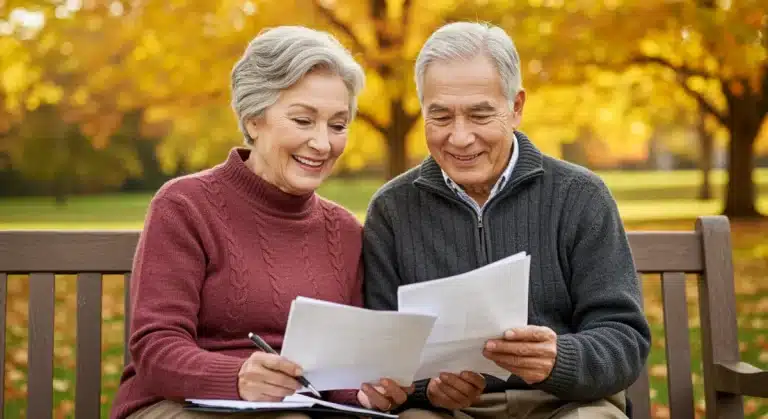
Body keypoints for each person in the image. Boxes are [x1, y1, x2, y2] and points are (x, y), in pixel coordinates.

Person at [110, 26, 410, 419]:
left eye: (337, 126)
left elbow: (339, 368)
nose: (323, 143)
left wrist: (365, 394)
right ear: (254, 119)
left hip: (298, 409)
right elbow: (156, 347)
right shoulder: (185, 205)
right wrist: (235, 377)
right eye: (303, 121)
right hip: (177, 404)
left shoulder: (343, 230)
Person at [362, 22, 652, 419]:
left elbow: (625, 340)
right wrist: (427, 390)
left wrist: (558, 359)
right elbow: (385, 357)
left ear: (515, 107)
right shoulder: (391, 210)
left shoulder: (580, 195)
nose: (460, 137)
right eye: (441, 116)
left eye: (480, 115)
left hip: (566, 404)